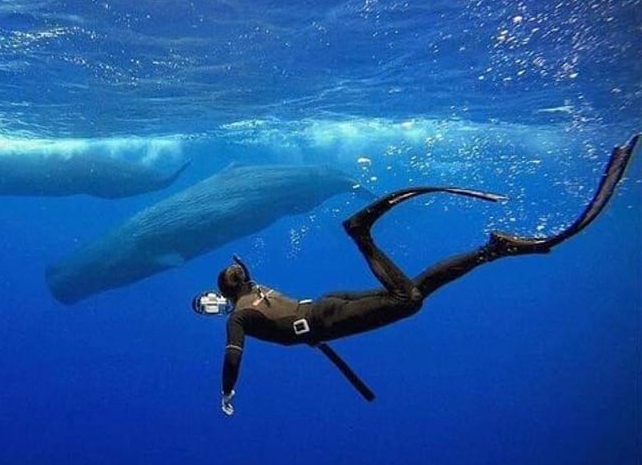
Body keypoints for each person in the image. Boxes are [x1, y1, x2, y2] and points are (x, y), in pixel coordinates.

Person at [192, 133, 638, 416]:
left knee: (408, 300)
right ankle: (493, 250)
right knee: (414, 289)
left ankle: (361, 232)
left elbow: (233, 358)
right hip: (325, 305)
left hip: (326, 320)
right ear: (241, 278)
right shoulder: (252, 288)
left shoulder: (240, 316)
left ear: (225, 297)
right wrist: (229, 299)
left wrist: (227, 394)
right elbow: (252, 297)